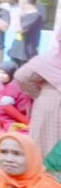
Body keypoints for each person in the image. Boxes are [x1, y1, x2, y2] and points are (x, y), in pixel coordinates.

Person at [15, 28, 61, 167]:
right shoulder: (50, 58)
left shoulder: (50, 59)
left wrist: (38, 94)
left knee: (44, 147)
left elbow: (22, 76)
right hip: (51, 105)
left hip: (49, 104)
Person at [0, 61, 32, 136]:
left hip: (11, 112)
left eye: (4, 73)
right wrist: (25, 120)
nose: (1, 75)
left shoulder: (19, 85)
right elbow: (4, 106)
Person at [10, 0, 44, 67]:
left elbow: (20, 30)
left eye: (20, 0)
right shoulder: (25, 14)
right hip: (17, 50)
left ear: (23, 1)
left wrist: (17, 17)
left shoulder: (35, 15)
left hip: (25, 52)